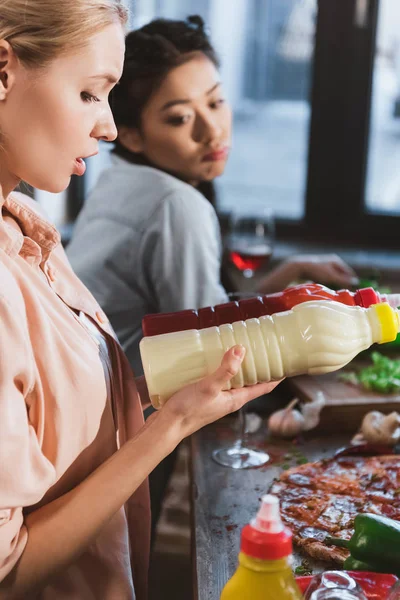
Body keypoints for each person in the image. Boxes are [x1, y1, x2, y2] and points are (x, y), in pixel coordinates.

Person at [0, 3, 281, 599]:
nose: (106, 127)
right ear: (3, 72)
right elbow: (8, 569)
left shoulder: (24, 226)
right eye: (89, 93)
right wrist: (174, 422)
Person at [67, 15, 359, 380]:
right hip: (131, 415)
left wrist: (286, 276)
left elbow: (209, 313)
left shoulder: (120, 181)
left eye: (216, 102)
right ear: (130, 136)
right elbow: (219, 351)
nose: (212, 130)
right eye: (180, 118)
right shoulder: (173, 205)